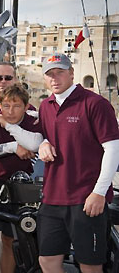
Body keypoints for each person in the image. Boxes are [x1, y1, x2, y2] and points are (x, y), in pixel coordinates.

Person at [37, 53, 119, 273]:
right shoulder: (45, 105)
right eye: (49, 74)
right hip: (52, 199)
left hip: (86, 199)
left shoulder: (95, 104)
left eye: (59, 72)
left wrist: (99, 192)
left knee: (90, 266)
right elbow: (46, 135)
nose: (54, 78)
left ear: (71, 73)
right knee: (47, 261)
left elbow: (112, 149)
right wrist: (43, 142)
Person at [0, 84, 43, 273]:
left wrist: (10, 129)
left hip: (18, 187)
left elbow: (36, 144)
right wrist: (13, 147)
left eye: (16, 106)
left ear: (27, 106)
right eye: (6, 106)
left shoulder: (33, 122)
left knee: (11, 241)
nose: (10, 111)